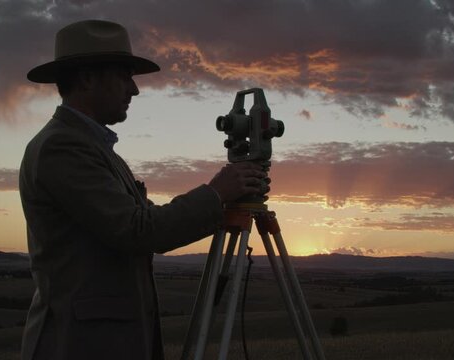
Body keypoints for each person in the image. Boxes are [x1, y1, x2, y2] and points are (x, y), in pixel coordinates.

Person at [19, 19, 268, 360]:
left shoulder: (98, 149)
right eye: (124, 75)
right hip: (82, 345)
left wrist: (223, 202)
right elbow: (137, 230)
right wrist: (215, 194)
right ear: (88, 78)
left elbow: (137, 224)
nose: (133, 90)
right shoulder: (62, 148)